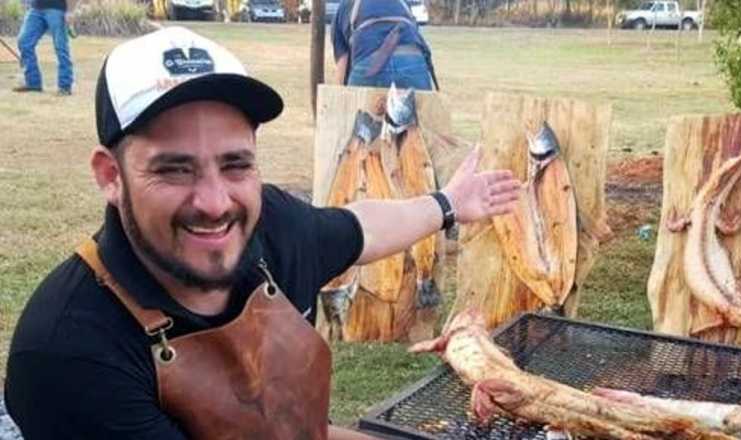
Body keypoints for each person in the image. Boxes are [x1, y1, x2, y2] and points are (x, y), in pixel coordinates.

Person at [3, 27, 518, 439]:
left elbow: (360, 228)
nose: (214, 203)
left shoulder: (271, 225)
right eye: (174, 169)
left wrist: (450, 204)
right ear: (110, 176)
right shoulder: (69, 352)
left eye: (235, 164)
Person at [331, 0, 436, 90]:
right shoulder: (403, 4)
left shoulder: (345, 6)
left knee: (352, 112)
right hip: (414, 63)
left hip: (370, 65)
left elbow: (342, 68)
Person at [12, 0, 74, 94]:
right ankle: (33, 83)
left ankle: (65, 86)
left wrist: (70, 11)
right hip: (36, 8)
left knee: (61, 47)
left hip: (57, 9)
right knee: (24, 42)